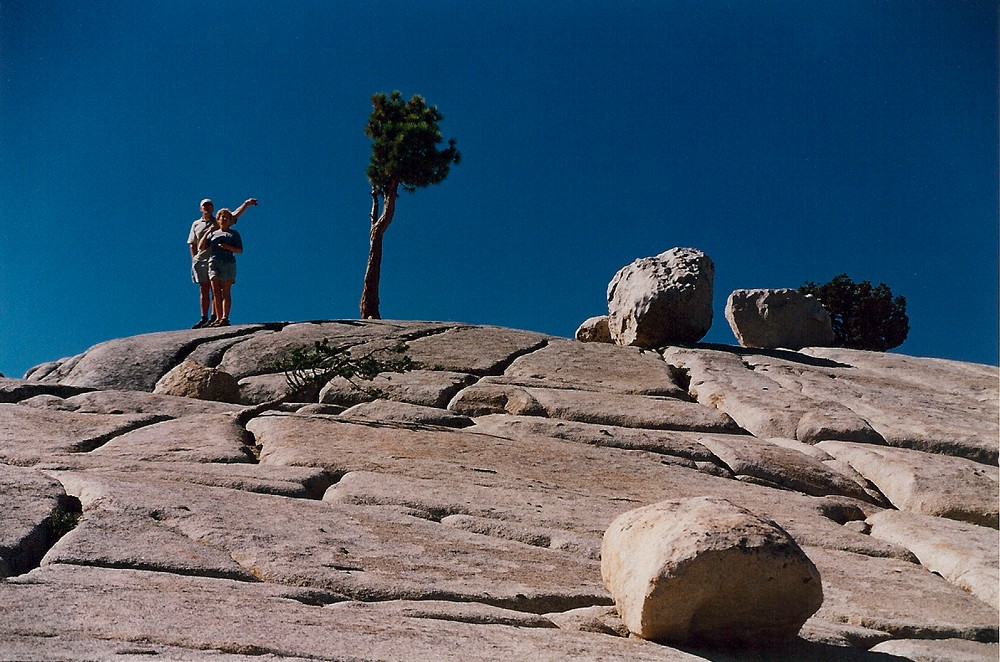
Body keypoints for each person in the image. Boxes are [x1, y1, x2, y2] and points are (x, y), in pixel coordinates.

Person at [187, 197, 256, 328]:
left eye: (209, 205)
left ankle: (216, 317)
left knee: (217, 289)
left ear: (213, 208)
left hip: (217, 258)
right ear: (201, 208)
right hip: (202, 259)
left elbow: (234, 214)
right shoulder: (196, 223)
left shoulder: (218, 220)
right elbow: (193, 243)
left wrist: (246, 204)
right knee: (204, 288)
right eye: (204, 206)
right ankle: (204, 317)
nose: (207, 208)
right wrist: (194, 258)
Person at [198, 207, 244, 327]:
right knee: (216, 291)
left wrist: (227, 247)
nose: (223, 219)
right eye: (221, 217)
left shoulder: (233, 234)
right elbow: (201, 247)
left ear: (229, 220)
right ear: (217, 220)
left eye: (226, 217)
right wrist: (208, 232)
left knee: (226, 291)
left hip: (228, 263)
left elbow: (239, 250)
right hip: (214, 262)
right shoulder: (213, 233)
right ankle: (218, 318)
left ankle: (225, 318)